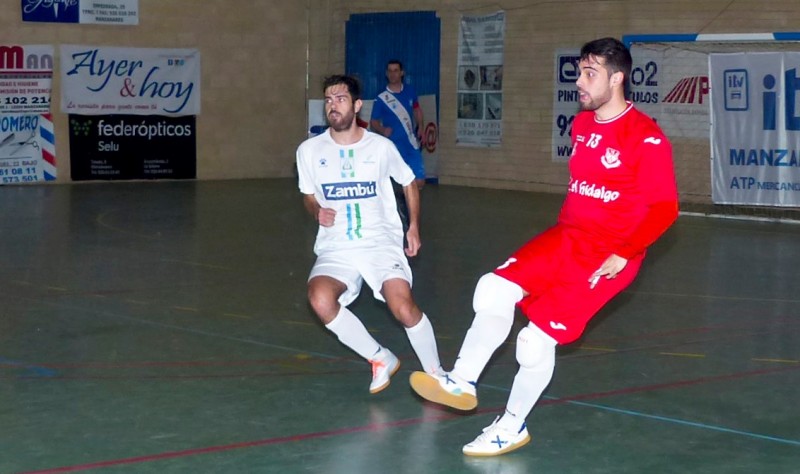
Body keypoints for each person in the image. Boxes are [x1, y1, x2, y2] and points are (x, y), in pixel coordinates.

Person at [409, 37, 679, 456]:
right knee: (493, 288)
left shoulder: (646, 138)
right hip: (566, 238)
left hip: (608, 256)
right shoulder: (584, 124)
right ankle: (461, 379)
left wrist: (625, 251)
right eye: (578, 72)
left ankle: (512, 425)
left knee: (534, 343)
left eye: (590, 74)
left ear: (618, 78)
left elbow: (664, 208)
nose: (579, 82)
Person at [296, 74, 442, 395]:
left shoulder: (379, 146)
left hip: (380, 242)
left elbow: (407, 181)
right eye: (329, 100)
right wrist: (316, 210)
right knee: (319, 298)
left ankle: (437, 374)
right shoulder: (308, 151)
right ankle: (379, 358)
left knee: (402, 307)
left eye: (341, 99)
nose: (333, 106)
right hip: (337, 246)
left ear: (357, 105)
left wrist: (414, 226)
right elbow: (308, 195)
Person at [370, 60, 427, 190]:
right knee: (399, 182)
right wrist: (382, 129)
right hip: (394, 146)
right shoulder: (381, 98)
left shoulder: (410, 91)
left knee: (419, 182)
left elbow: (417, 109)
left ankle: (404, 201)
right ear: (386, 73)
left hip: (411, 143)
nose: (392, 74)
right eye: (390, 71)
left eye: (396, 70)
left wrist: (421, 128)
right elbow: (373, 121)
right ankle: (400, 204)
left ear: (402, 73)